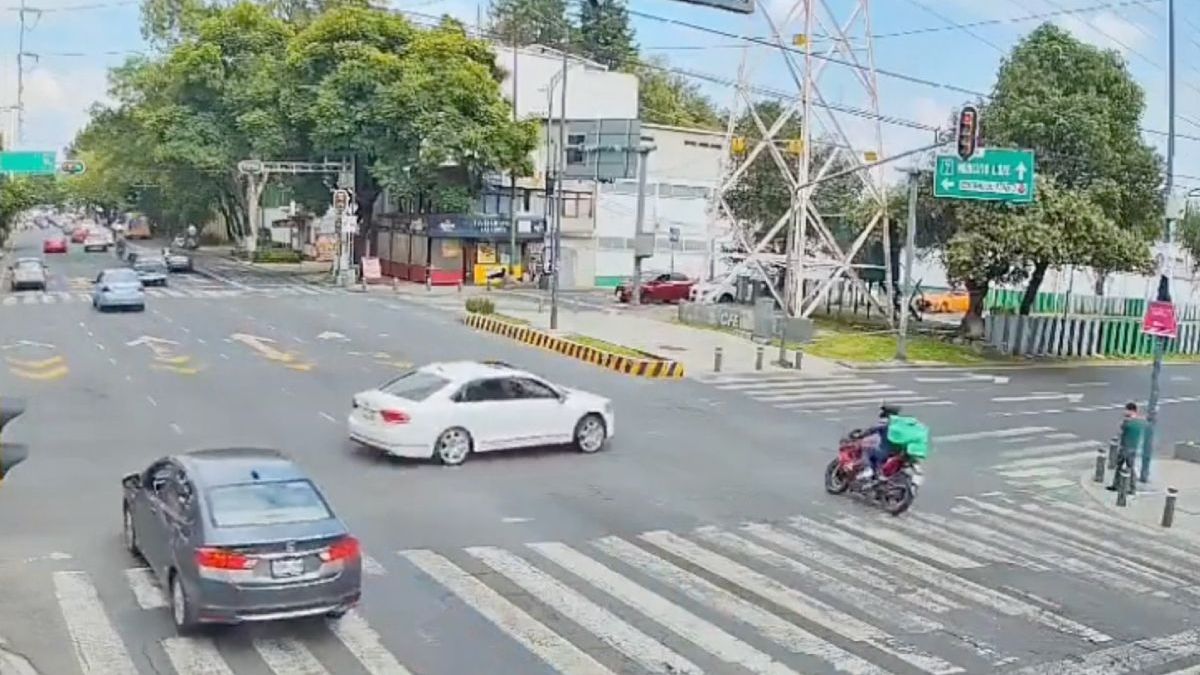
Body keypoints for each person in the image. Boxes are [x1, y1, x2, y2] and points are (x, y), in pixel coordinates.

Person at [1108, 402, 1145, 494]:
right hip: (1133, 447)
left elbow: (1122, 428)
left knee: (1120, 466)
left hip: (1125, 447)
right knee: (1131, 467)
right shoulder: (1139, 421)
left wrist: (1126, 419)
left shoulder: (1128, 421)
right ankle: (1132, 488)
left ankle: (1116, 485)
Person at [858, 404, 901, 481]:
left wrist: (861, 434)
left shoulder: (886, 421)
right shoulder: (900, 422)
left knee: (865, 448)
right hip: (897, 451)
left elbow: (872, 429)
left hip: (885, 451)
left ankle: (868, 469)